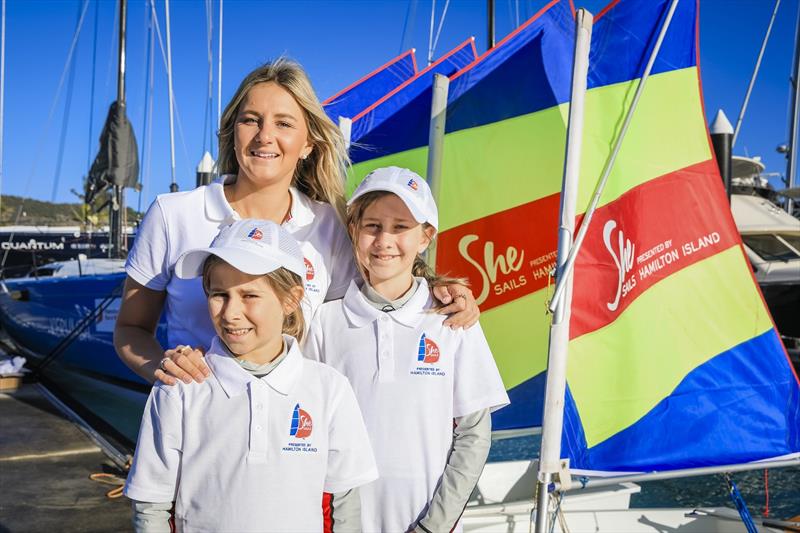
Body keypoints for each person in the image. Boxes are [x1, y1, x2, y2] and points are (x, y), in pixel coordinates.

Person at [114, 58, 479, 387]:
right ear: (232, 131)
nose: (264, 136)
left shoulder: (329, 225)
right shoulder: (172, 214)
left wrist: (442, 293)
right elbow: (131, 330)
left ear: (308, 144)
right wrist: (167, 367)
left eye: (283, 123)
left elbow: (376, 302)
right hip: (199, 422)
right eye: (250, 120)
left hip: (296, 436)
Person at [124, 219, 377, 532]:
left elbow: (345, 504)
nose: (230, 313)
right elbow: (152, 507)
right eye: (219, 294)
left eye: (250, 296)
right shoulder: (179, 389)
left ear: (291, 299)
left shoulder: (329, 389)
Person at [305, 167, 510, 533]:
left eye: (401, 227)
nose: (385, 240)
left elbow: (474, 434)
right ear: (353, 229)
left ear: (425, 237)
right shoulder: (324, 323)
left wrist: (435, 526)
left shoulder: (452, 320)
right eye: (372, 226)